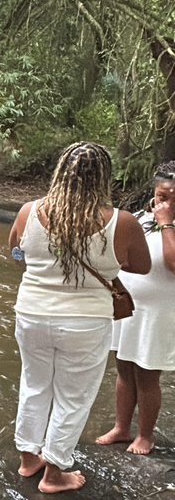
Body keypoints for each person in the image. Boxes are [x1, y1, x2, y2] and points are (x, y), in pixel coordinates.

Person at [8, 142, 151, 494]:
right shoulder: (122, 222)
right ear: (104, 178)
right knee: (73, 397)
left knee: (34, 385)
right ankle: (54, 475)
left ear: (60, 173)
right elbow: (142, 266)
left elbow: (14, 251)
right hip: (85, 322)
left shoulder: (29, 211)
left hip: (32, 314)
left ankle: (29, 459)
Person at [96, 160, 175, 454]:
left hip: (161, 312)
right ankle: (121, 427)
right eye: (162, 196)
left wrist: (166, 221)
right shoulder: (141, 217)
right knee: (124, 368)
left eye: (173, 198)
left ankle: (145, 435)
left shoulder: (168, 222)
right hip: (128, 306)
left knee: (147, 373)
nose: (165, 203)